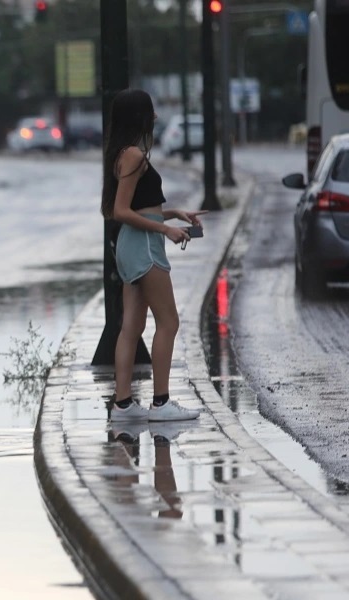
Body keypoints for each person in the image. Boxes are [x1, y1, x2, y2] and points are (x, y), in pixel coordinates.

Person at [101, 90, 203, 422]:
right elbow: (120, 211)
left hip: (134, 244)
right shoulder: (133, 155)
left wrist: (174, 214)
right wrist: (164, 231)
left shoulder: (122, 153)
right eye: (151, 112)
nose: (155, 118)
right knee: (168, 321)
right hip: (144, 245)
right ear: (139, 117)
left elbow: (144, 207)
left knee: (132, 325)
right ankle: (161, 403)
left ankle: (123, 405)